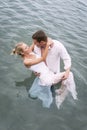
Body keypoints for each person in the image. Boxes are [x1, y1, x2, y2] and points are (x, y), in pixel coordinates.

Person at [28, 30, 77, 108]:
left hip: (53, 74)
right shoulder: (37, 47)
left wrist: (67, 71)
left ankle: (63, 92)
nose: (34, 44)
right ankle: (60, 94)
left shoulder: (58, 45)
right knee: (70, 75)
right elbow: (29, 55)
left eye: (35, 42)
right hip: (43, 75)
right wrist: (35, 71)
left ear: (42, 42)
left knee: (69, 74)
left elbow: (66, 58)